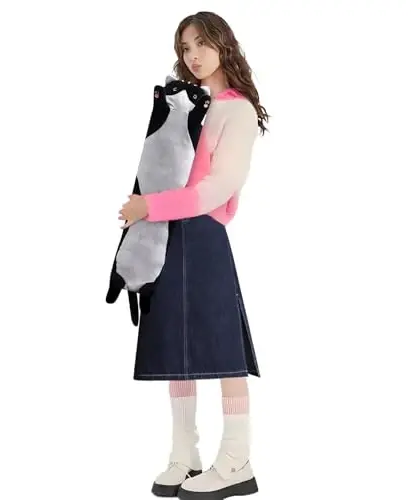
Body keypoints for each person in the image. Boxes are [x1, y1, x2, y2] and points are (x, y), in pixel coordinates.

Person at [118, 11, 270, 500]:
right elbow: (164, 164)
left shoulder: (236, 111)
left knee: (222, 349)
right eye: (185, 47)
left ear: (224, 44)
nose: (193, 55)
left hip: (202, 236)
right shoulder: (189, 103)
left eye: (202, 43)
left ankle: (236, 459)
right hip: (165, 233)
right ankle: (185, 453)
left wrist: (150, 206)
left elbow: (218, 189)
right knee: (176, 347)